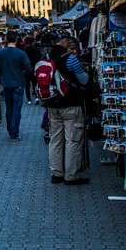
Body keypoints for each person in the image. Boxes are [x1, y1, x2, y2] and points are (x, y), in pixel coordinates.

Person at [47, 37, 90, 185]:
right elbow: (83, 80)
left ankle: (56, 173)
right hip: (71, 103)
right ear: (65, 42)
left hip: (52, 104)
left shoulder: (46, 57)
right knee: (73, 139)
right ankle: (71, 175)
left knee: (55, 139)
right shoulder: (70, 59)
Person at [0, 32, 33, 141]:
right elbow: (28, 69)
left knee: (9, 108)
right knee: (16, 108)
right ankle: (14, 132)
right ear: (16, 40)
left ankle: (10, 130)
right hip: (18, 83)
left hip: (6, 83)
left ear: (6, 39)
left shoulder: (0, 52)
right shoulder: (21, 53)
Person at [23, 35, 42, 105]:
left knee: (27, 85)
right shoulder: (35, 49)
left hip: (26, 69)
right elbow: (39, 58)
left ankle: (29, 100)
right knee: (35, 83)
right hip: (34, 68)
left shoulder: (24, 50)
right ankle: (37, 97)